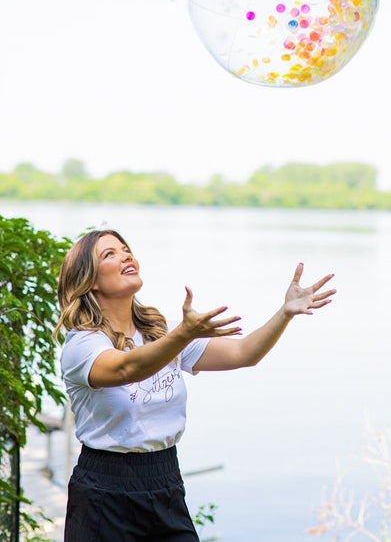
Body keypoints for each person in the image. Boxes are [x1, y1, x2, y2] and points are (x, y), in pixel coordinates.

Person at [55, 228, 335, 542]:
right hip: (104, 490)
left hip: (164, 479)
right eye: (110, 254)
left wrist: (284, 313)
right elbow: (125, 369)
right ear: (90, 280)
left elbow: (244, 353)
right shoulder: (82, 345)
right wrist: (183, 335)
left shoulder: (162, 333)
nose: (126, 255)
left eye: (125, 249)